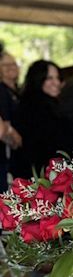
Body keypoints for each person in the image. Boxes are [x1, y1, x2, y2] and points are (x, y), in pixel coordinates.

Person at [12, 60, 73, 179]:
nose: (56, 82)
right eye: (49, 78)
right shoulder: (31, 108)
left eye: (57, 77)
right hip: (39, 179)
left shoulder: (53, 105)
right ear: (38, 79)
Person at [0, 48, 22, 192]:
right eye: (6, 65)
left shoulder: (17, 90)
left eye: (13, 64)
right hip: (8, 150)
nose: (11, 68)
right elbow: (5, 125)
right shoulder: (1, 90)